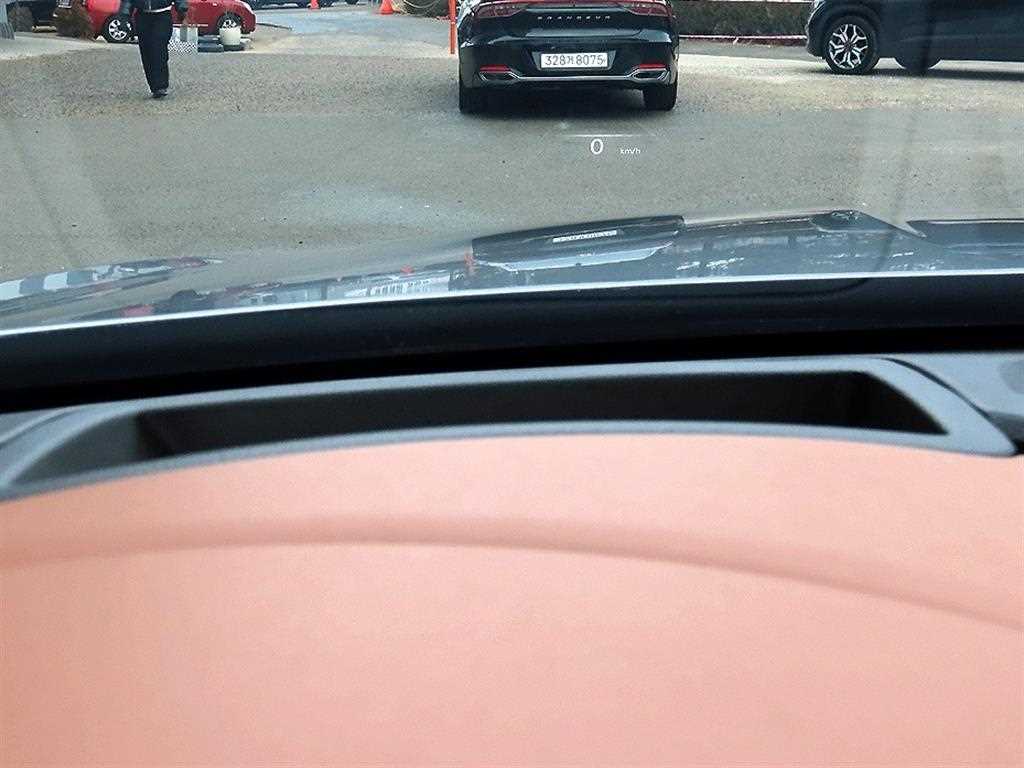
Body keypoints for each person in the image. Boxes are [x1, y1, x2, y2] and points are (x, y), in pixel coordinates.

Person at [118, 0, 188, 98]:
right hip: (143, 15)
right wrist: (124, 16)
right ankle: (154, 86)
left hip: (162, 15)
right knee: (146, 51)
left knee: (159, 49)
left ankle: (161, 85)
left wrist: (181, 6)